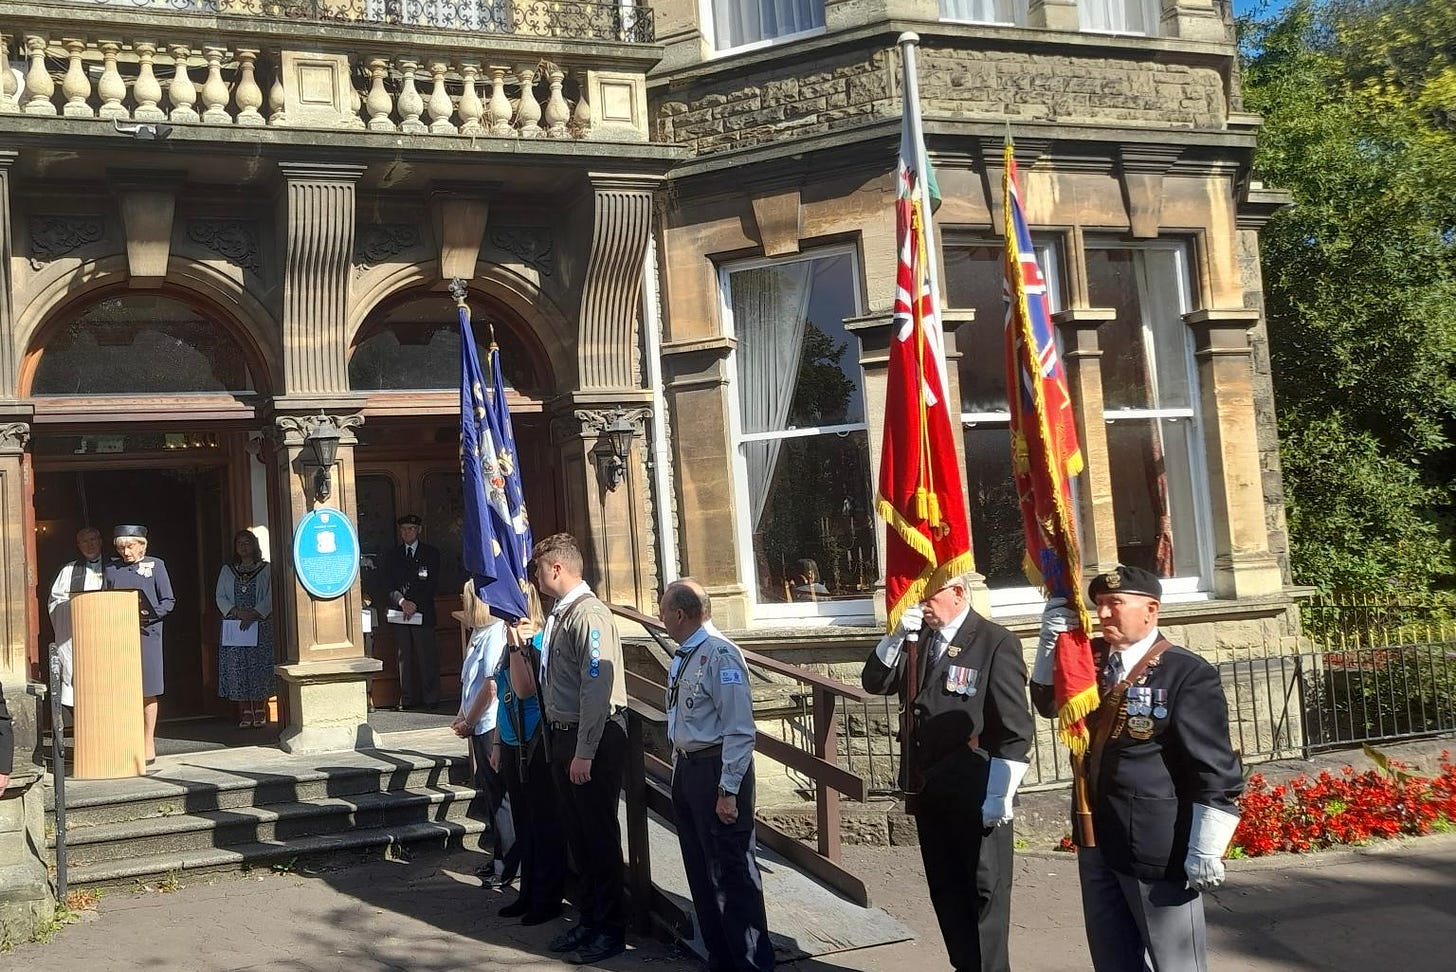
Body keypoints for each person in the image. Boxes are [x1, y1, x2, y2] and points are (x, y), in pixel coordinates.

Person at [1037, 565, 1243, 972]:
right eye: (1099, 605)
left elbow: (1214, 766)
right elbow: (1048, 704)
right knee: (1112, 959)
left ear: (1151, 609)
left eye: (1115, 604)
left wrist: (1206, 846)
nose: (1104, 614)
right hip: (1096, 835)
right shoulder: (1090, 660)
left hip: (1155, 844)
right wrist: (1050, 648)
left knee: (1176, 963)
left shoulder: (1186, 672)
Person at [860, 573, 1034, 972]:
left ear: (957, 592)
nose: (921, 602)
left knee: (984, 889)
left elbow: (1014, 726)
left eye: (928, 594)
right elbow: (875, 682)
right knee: (946, 888)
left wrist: (1000, 794)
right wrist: (894, 638)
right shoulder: (918, 640)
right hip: (929, 786)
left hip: (976, 787)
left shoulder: (993, 641)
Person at [660, 578, 774, 972]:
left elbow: (740, 729)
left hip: (716, 770)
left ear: (679, 614)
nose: (659, 618)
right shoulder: (684, 654)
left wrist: (728, 789)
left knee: (732, 875)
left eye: (663, 611)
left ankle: (751, 963)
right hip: (688, 768)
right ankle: (720, 958)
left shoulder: (720, 655)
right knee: (701, 872)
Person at [530, 533, 628, 966]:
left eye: (538, 570)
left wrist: (584, 751)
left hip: (593, 735)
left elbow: (596, 685)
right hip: (565, 732)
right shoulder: (561, 614)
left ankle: (610, 929)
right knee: (580, 837)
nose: (534, 579)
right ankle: (589, 919)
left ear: (556, 568)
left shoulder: (588, 614)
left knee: (599, 836)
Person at [490, 577, 568, 925]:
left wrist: (516, 647)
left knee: (543, 822)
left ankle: (547, 897)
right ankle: (528, 892)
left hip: (535, 741)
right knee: (523, 820)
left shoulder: (536, 641)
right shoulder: (507, 639)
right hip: (509, 740)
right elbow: (500, 692)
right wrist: (495, 741)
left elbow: (524, 689)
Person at [453, 581, 515, 889]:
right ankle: (498, 856)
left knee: (500, 796)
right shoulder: (478, 633)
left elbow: (491, 688)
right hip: (476, 723)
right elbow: (470, 683)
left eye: (467, 600)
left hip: (490, 724)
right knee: (490, 795)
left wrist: (470, 719)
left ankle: (507, 865)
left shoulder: (496, 633)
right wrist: (462, 714)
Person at [104, 525, 175, 766]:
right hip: (120, 635)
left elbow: (168, 600)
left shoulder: (156, 565)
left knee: (148, 690)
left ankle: (148, 741)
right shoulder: (112, 569)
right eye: (121, 547)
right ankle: (126, 741)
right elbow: (105, 599)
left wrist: (150, 614)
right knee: (124, 690)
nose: (125, 552)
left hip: (147, 634)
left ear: (142, 545)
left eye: (130, 546)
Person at [215, 529, 275, 728]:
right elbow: (220, 596)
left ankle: (260, 709)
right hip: (236, 625)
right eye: (239, 543)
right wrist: (237, 611)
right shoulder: (227, 570)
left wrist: (255, 612)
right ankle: (245, 711)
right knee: (238, 668)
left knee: (259, 667)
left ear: (254, 545)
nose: (243, 546)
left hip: (259, 624)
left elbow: (271, 595)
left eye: (247, 542)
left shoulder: (266, 569)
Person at [382, 514, 441, 710]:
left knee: (427, 657)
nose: (407, 532)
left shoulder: (431, 553)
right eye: (404, 529)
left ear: (419, 531)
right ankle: (407, 698)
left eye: (411, 529)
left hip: (422, 613)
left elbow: (431, 583)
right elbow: (388, 583)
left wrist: (414, 603)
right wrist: (402, 601)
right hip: (400, 613)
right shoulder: (392, 555)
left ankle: (431, 698)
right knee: (403, 658)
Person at [47, 526, 107, 708]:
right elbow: (55, 601)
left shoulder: (114, 567)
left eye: (93, 540)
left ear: (101, 542)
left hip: (107, 631)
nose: (90, 545)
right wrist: (75, 607)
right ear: (78, 546)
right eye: (84, 542)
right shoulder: (69, 570)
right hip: (79, 634)